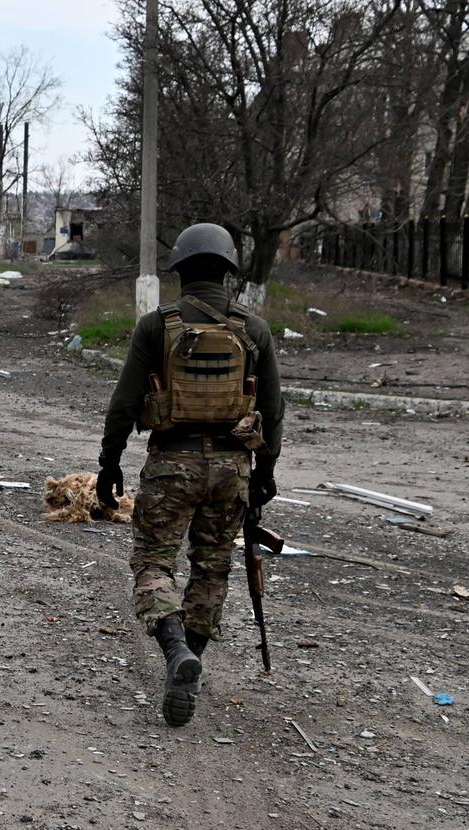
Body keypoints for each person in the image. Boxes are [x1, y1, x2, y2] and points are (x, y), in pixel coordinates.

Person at [96, 222, 283, 726]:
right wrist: (265, 473)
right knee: (212, 568)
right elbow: (272, 411)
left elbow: (124, 403)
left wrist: (109, 462)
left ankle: (176, 649)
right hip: (231, 470)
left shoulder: (156, 327)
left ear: (179, 270)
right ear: (229, 272)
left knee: (154, 562)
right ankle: (188, 661)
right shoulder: (254, 330)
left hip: (171, 465)